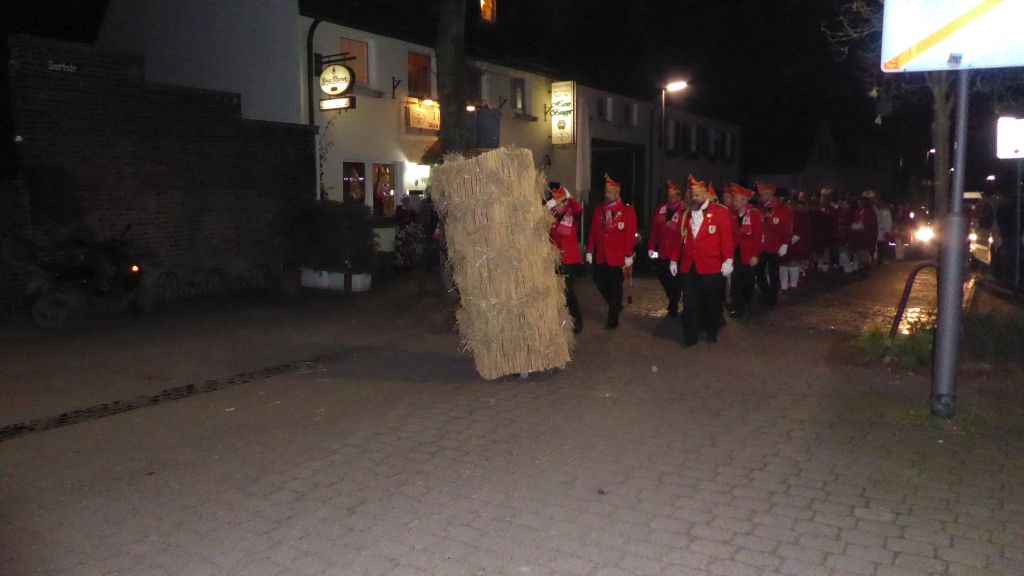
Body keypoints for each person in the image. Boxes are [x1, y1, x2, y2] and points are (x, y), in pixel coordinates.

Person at [667, 176, 735, 346]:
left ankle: (712, 330)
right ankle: (690, 337)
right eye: (692, 195)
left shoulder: (720, 212)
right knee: (689, 303)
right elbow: (678, 240)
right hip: (689, 266)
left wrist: (728, 260)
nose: (694, 198)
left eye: (697, 195)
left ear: (705, 194)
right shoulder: (685, 214)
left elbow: (727, 239)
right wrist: (674, 260)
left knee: (710, 301)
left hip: (711, 266)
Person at [587, 174, 637, 329]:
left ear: (617, 194)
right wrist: (589, 250)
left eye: (609, 192)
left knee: (615, 287)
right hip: (601, 255)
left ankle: (612, 320)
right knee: (599, 281)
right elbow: (593, 232)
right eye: (606, 192)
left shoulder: (627, 211)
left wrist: (628, 254)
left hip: (617, 257)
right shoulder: (599, 210)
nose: (606, 195)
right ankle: (615, 305)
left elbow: (630, 235)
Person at [547, 186, 585, 333]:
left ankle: (576, 320)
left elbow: (578, 208)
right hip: (557, 259)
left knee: (568, 291)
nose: (558, 206)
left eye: (560, 203)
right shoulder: (552, 217)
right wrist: (551, 204)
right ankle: (562, 319)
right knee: (558, 291)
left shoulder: (572, 215)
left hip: (570, 259)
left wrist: (568, 197)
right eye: (556, 203)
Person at [647, 180, 685, 316]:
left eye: (673, 196)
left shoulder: (683, 211)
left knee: (675, 279)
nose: (670, 198)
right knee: (662, 275)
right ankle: (672, 296)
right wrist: (651, 247)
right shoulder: (661, 209)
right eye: (669, 196)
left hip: (678, 252)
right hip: (663, 251)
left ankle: (673, 304)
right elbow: (654, 231)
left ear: (679, 197)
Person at [754, 181, 793, 306]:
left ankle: (772, 296)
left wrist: (785, 243)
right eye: (760, 194)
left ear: (769, 194)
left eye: (763, 194)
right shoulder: (760, 208)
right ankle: (766, 291)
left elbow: (787, 227)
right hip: (762, 245)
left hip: (775, 245)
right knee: (758, 268)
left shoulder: (782, 208)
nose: (761, 197)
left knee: (773, 272)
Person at [728, 183, 761, 318]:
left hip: (749, 251)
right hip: (736, 251)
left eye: (737, 200)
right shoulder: (732, 213)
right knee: (735, 279)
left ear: (745, 201)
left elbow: (758, 236)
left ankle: (747, 300)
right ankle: (737, 306)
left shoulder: (754, 214)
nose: (734, 203)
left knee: (748, 280)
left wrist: (755, 255)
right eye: (734, 200)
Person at [850, 191, 879, 273]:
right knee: (860, 253)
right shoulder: (860, 211)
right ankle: (862, 268)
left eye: (860, 202)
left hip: (866, 236)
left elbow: (867, 224)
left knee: (864, 253)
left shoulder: (870, 212)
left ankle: (866, 269)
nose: (859, 203)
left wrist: (857, 226)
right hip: (859, 236)